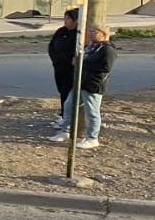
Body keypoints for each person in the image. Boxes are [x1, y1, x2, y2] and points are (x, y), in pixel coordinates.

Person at [50, 22, 116, 150]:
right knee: (69, 105)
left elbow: (106, 67)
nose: (91, 34)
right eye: (90, 31)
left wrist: (82, 63)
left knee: (92, 112)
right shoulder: (89, 46)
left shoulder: (107, 49)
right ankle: (66, 131)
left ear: (104, 34)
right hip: (80, 82)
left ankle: (92, 138)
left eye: (95, 32)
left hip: (93, 85)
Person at [48, 8, 80, 130]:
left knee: (68, 94)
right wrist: (55, 59)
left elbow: (75, 53)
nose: (65, 21)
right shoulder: (61, 31)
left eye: (68, 18)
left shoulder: (78, 35)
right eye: (64, 18)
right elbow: (51, 46)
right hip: (58, 67)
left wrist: (68, 60)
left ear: (76, 20)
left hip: (70, 70)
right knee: (62, 92)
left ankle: (68, 119)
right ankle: (63, 116)